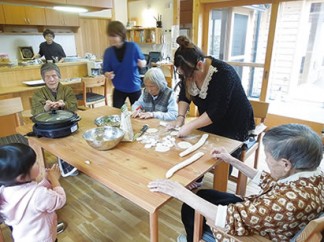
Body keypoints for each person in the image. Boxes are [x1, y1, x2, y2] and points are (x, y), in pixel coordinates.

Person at [148, 124, 324, 242]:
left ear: (286, 164)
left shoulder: (286, 203)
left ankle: (196, 238)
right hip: (264, 216)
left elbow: (226, 219)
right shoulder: (311, 177)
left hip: (256, 233)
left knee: (190, 207)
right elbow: (269, 182)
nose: (266, 160)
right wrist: (232, 160)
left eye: (267, 157)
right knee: (204, 194)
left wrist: (179, 191)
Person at [170, 35, 255, 189]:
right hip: (209, 120)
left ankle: (220, 187)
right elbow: (184, 95)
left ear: (200, 65)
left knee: (221, 154)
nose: (186, 79)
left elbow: (217, 111)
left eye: (188, 76)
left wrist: (190, 126)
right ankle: (197, 177)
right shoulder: (189, 70)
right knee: (192, 143)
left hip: (234, 122)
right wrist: (180, 118)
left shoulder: (223, 74)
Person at [0, 143, 66, 242]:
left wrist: (47, 181)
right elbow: (60, 200)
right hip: (44, 239)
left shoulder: (4, 191)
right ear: (21, 177)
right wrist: (54, 180)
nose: (38, 163)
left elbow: (31, 194)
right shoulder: (38, 195)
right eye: (34, 163)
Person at [31, 63, 78, 177]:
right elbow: (35, 113)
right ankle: (66, 164)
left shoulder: (67, 90)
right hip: (49, 126)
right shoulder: (38, 93)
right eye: (47, 76)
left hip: (65, 122)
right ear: (43, 78)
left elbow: (74, 106)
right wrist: (45, 108)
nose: (51, 79)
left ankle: (72, 162)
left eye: (54, 76)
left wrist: (63, 104)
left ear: (59, 76)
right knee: (59, 137)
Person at [103, 21, 147, 108]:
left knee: (138, 113)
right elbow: (105, 70)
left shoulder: (133, 47)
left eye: (114, 36)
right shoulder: (108, 52)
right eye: (110, 36)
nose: (111, 38)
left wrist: (142, 63)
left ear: (121, 35)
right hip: (119, 88)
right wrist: (107, 74)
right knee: (116, 114)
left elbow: (144, 62)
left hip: (134, 87)